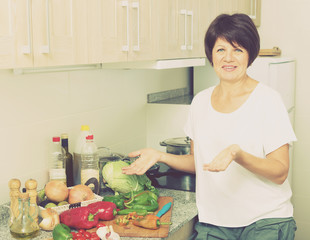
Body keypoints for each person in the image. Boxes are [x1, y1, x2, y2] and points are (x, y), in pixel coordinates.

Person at [122, 13, 297, 240]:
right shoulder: (200, 102)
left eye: (238, 50)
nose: (228, 58)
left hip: (265, 221)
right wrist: (160, 156)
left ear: (250, 56)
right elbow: (199, 162)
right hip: (215, 222)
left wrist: (238, 154)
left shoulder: (268, 100)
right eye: (221, 49)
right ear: (211, 55)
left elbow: (280, 172)